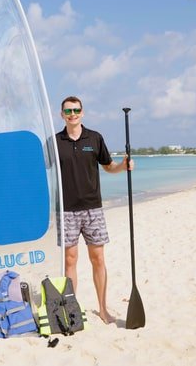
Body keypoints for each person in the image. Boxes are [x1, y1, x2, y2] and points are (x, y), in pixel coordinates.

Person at [54, 95, 133, 324]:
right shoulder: (54, 141)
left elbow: (109, 167)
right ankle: (71, 309)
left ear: (82, 112)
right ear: (62, 115)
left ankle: (102, 308)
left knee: (97, 258)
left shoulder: (95, 138)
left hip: (93, 209)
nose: (72, 114)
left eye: (76, 110)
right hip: (66, 209)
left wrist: (123, 166)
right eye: (68, 111)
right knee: (70, 260)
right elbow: (40, 170)